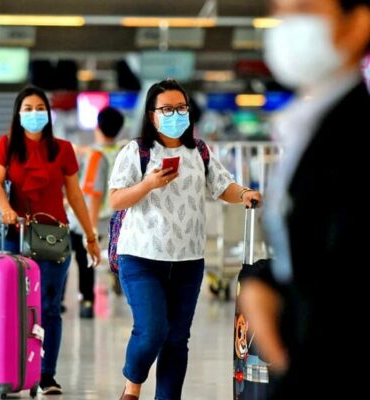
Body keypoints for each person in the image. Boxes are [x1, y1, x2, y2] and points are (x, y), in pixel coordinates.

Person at [238, 0, 370, 398]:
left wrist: (293, 366)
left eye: (306, 8)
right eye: (281, 10)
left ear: (357, 23)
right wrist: (265, 285)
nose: (288, 24)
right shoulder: (306, 129)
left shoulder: (355, 137)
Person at [108, 78, 261, 400]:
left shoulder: (200, 151)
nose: (176, 114)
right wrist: (148, 184)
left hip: (188, 260)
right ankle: (132, 386)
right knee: (152, 331)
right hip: (141, 257)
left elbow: (223, 186)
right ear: (152, 115)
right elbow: (116, 200)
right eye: (167, 109)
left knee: (177, 339)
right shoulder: (136, 151)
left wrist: (245, 193)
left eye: (181, 108)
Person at [0, 86, 101, 395]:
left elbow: (75, 195)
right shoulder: (8, 145)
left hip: (53, 237)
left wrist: (91, 237)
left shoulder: (62, 149)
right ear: (18, 113)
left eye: (40, 108)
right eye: (28, 108)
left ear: (48, 114)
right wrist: (7, 209)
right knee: (14, 306)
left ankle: (46, 374)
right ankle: (13, 370)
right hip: (16, 237)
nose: (35, 113)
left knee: (50, 307)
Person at [68, 106, 125, 318]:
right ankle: (115, 279)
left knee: (80, 258)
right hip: (111, 218)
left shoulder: (95, 157)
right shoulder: (120, 152)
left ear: (97, 126)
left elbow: (93, 194)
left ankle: (87, 300)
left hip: (89, 218)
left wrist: (88, 229)